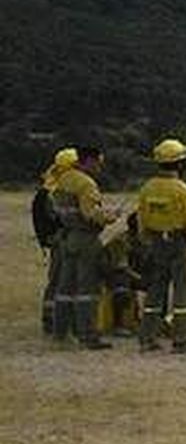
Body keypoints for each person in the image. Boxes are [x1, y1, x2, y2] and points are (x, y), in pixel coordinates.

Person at [135, 139, 186, 353]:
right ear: (180, 163)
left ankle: (147, 338)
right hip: (178, 242)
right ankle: (181, 339)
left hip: (156, 243)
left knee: (155, 291)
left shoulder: (147, 188)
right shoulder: (182, 190)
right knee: (182, 291)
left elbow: (142, 220)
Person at [51, 146, 115, 349]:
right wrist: (109, 217)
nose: (100, 168)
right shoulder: (86, 184)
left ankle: (60, 333)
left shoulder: (63, 180)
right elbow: (90, 214)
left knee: (65, 287)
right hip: (86, 239)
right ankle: (88, 336)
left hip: (68, 237)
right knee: (87, 289)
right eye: (98, 163)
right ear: (89, 161)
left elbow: (57, 210)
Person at [35, 148, 76, 335]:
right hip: (61, 241)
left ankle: (53, 317)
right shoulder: (55, 191)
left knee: (58, 279)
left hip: (55, 241)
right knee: (60, 279)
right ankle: (54, 319)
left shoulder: (48, 187)